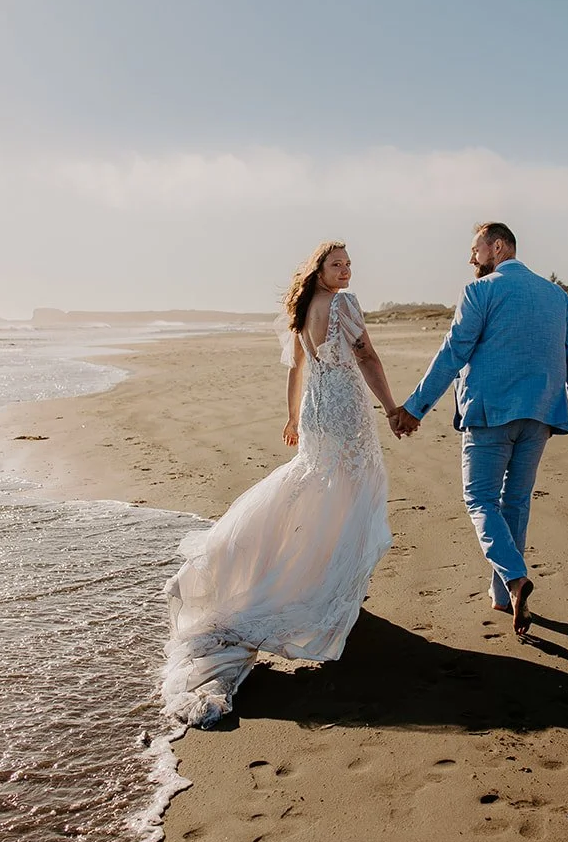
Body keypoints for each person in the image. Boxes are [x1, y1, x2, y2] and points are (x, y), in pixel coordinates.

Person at [163, 242, 399, 728]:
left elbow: (298, 368)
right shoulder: (343, 305)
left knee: (315, 488)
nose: (346, 270)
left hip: (316, 408)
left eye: (349, 264)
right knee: (351, 493)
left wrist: (293, 417)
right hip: (344, 409)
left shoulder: (302, 308)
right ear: (319, 269)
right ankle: (330, 585)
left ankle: (307, 574)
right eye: (337, 264)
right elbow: (367, 356)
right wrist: (392, 406)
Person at [391, 222, 568, 636]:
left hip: (489, 413)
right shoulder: (556, 296)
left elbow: (453, 352)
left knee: (480, 499)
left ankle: (516, 580)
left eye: (475, 250)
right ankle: (503, 596)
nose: (471, 259)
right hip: (541, 415)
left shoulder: (480, 292)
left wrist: (415, 408)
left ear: (497, 247)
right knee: (515, 503)